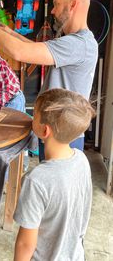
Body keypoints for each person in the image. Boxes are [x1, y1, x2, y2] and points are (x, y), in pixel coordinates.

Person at [0, 0, 98, 158]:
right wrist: (10, 33)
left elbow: (20, 52)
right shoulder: (77, 41)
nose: (52, 11)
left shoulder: (78, 44)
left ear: (73, 5)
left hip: (63, 134)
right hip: (57, 131)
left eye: (56, 4)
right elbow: (37, 48)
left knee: (51, 182)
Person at [13, 88, 95, 261]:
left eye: (33, 115)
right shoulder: (81, 160)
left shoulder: (36, 180)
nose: (31, 118)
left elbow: (25, 244)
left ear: (45, 131)